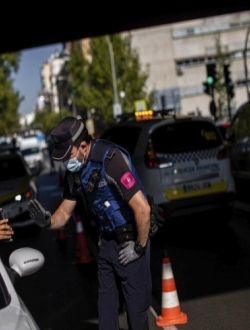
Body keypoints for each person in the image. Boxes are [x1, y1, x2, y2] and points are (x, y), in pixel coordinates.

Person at [27, 117, 164, 330]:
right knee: (106, 313)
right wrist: (46, 221)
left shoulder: (110, 159)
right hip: (107, 244)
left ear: (83, 145)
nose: (65, 162)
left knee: (136, 315)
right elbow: (63, 214)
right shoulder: (75, 173)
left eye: (68, 155)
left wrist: (138, 247)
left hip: (132, 242)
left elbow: (143, 209)